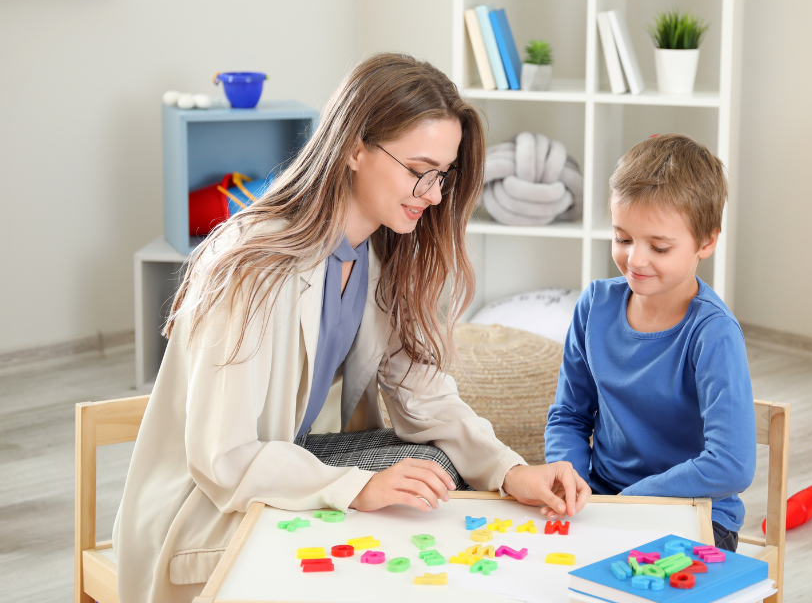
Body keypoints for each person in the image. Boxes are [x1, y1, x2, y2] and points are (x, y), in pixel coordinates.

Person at [113, 53, 591, 602]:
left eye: (442, 175)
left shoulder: (381, 256)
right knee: (408, 487)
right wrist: (360, 485)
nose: (434, 195)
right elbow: (222, 458)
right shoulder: (249, 263)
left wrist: (511, 472)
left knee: (434, 468)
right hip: (208, 499)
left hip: (288, 460)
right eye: (418, 171)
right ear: (353, 147)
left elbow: (428, 401)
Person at [544, 133, 755, 550]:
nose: (635, 260)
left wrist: (628, 502)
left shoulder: (713, 333)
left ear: (706, 242)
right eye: (623, 239)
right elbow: (569, 416)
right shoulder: (594, 306)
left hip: (696, 513)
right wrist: (571, 481)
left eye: (659, 247)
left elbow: (731, 465)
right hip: (603, 501)